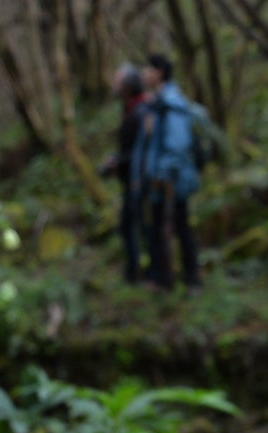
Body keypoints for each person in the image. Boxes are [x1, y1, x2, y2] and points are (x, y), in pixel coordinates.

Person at [131, 53, 210, 292]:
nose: (144, 74)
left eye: (147, 69)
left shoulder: (171, 104)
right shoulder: (155, 104)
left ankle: (188, 279)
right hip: (159, 181)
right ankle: (167, 278)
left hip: (171, 181)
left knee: (179, 228)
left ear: (160, 72)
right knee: (161, 228)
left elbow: (177, 144)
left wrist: (162, 175)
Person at [100, 62, 147, 284]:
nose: (114, 85)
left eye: (118, 80)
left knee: (139, 226)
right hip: (132, 179)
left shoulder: (141, 111)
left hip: (141, 180)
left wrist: (119, 162)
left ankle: (140, 273)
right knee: (130, 226)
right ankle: (134, 271)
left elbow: (142, 151)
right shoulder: (131, 109)